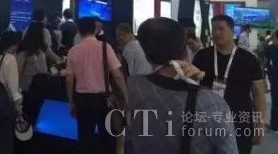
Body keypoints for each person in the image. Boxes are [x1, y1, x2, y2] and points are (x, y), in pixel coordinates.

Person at [127, 17, 237, 154]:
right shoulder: (214, 104)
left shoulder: (131, 88)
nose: (217, 33)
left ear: (145, 54)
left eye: (221, 29)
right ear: (184, 50)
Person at [193, 15, 266, 154]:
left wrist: (260, 123)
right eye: (214, 29)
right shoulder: (202, 56)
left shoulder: (248, 59)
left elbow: (258, 93)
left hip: (240, 119)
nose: (216, 33)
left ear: (232, 31)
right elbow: (192, 84)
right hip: (207, 118)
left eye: (221, 29)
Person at [66, 17, 127, 153]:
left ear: (79, 31)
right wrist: (125, 96)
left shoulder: (73, 50)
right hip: (103, 99)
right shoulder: (105, 47)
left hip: (82, 99)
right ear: (95, 29)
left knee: (85, 138)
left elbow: (69, 79)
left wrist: (71, 102)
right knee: (107, 138)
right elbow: (117, 76)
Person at [17, 23, 49, 92]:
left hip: (29, 87)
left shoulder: (25, 52)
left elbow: (18, 73)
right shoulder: (41, 51)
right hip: (31, 87)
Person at [265, 30, 278, 132]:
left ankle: (274, 125)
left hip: (275, 78)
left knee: (275, 102)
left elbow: (263, 47)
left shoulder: (272, 48)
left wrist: (270, 37)